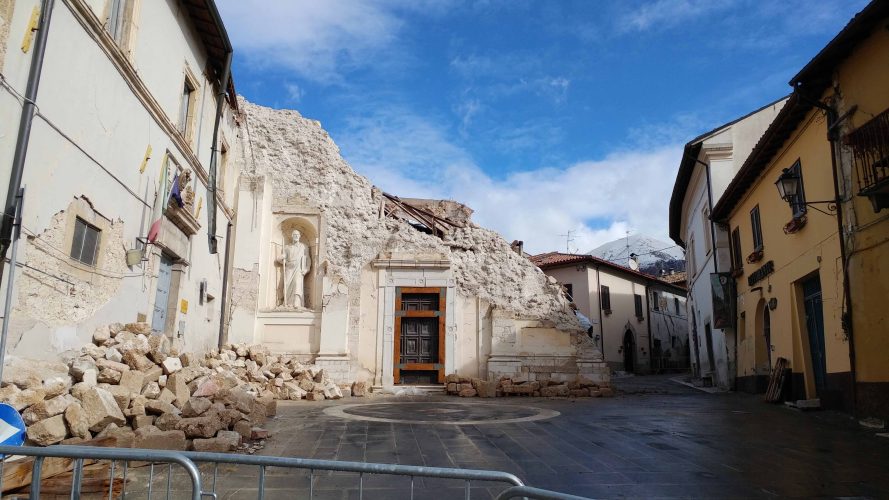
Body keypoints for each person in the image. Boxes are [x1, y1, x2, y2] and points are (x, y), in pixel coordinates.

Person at [277, 229, 311, 308]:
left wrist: (307, 268)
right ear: (292, 236)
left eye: (297, 235)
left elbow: (308, 258)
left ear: (299, 236)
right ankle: (287, 302)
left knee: (297, 283)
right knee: (287, 284)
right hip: (289, 268)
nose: (296, 236)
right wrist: (283, 261)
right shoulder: (287, 247)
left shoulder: (304, 246)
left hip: (299, 268)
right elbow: (281, 258)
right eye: (294, 235)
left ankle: (297, 302)